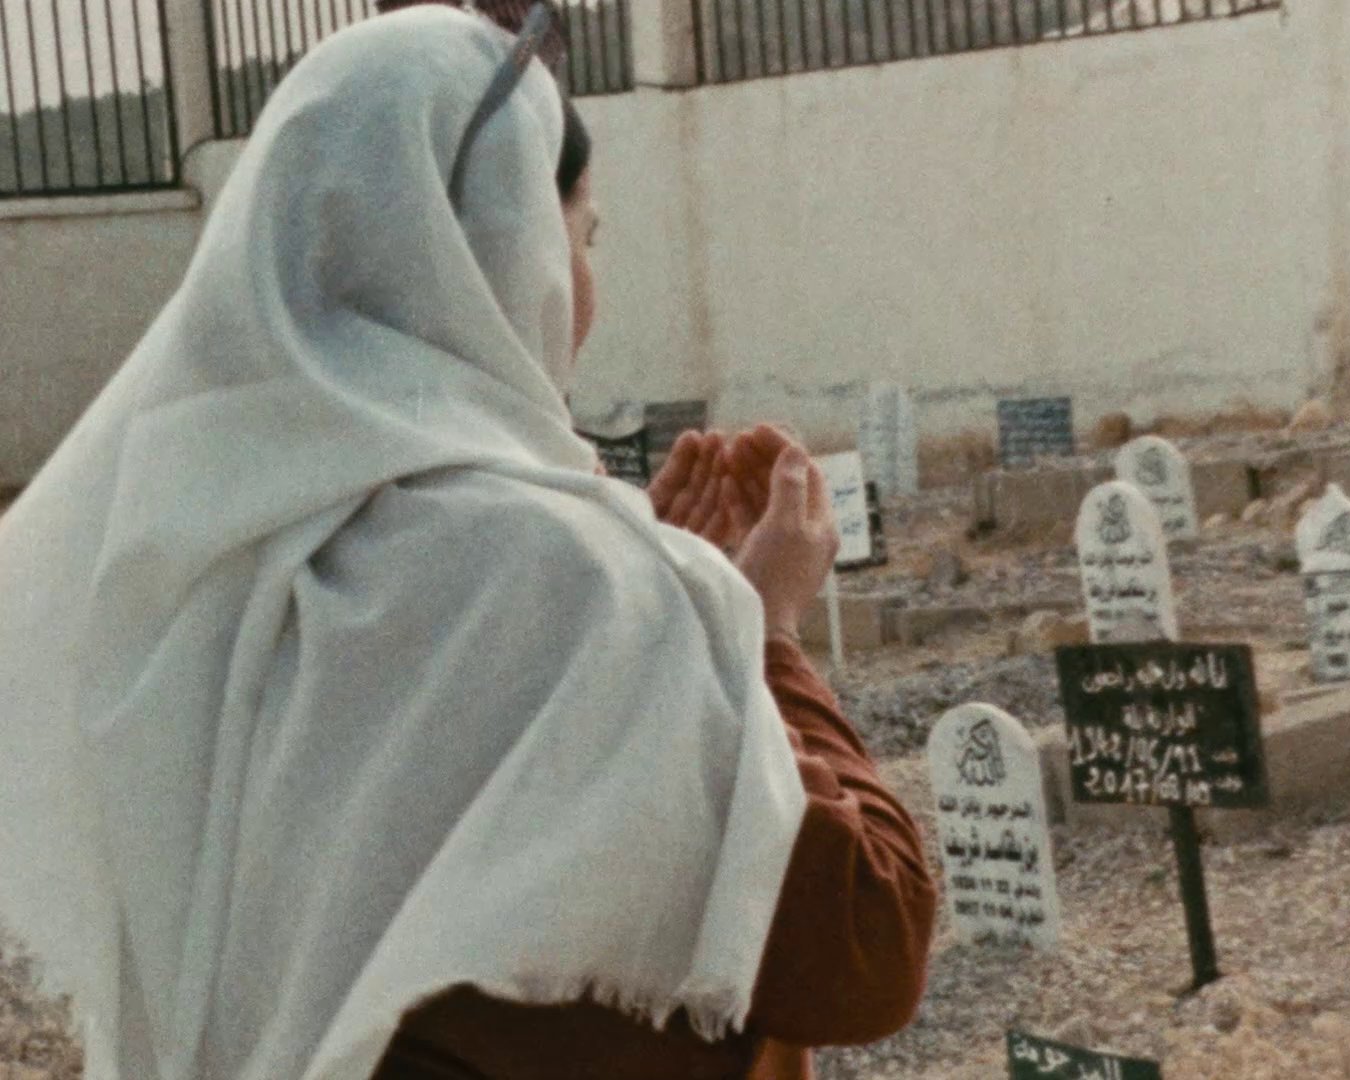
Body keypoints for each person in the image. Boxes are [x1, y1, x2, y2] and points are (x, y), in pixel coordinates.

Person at [0, 7, 934, 1080]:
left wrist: (685, 617)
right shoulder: (573, 583)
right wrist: (756, 632)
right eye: (583, 239)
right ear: (506, 245)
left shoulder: (203, 571)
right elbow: (869, 940)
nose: (585, 284)